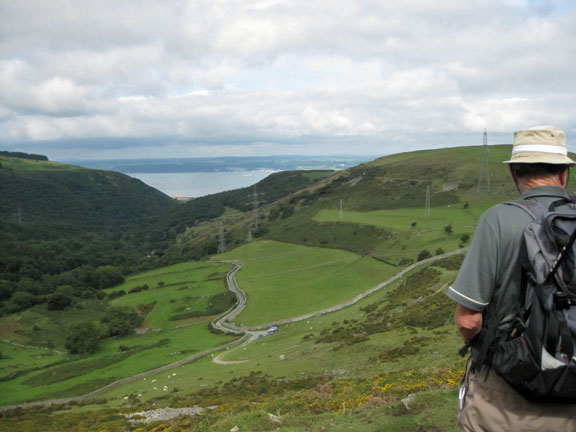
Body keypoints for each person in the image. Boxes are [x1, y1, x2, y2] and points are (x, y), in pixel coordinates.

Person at [447, 125, 576, 431]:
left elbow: (468, 320)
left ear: (514, 173)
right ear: (564, 174)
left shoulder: (499, 218)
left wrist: (488, 350)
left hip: (506, 397)